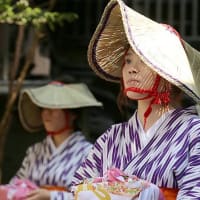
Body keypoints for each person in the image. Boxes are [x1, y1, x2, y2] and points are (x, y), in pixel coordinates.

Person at [70, 0, 200, 199]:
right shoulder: (112, 137)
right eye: (128, 60)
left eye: (145, 61)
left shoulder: (193, 131)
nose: (131, 68)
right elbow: (76, 190)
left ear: (168, 71)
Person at [11, 81, 102, 199]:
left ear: (72, 114)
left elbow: (92, 195)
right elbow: (16, 184)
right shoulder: (35, 151)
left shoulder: (88, 153)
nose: (46, 114)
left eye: (53, 108)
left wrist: (52, 196)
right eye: (43, 108)